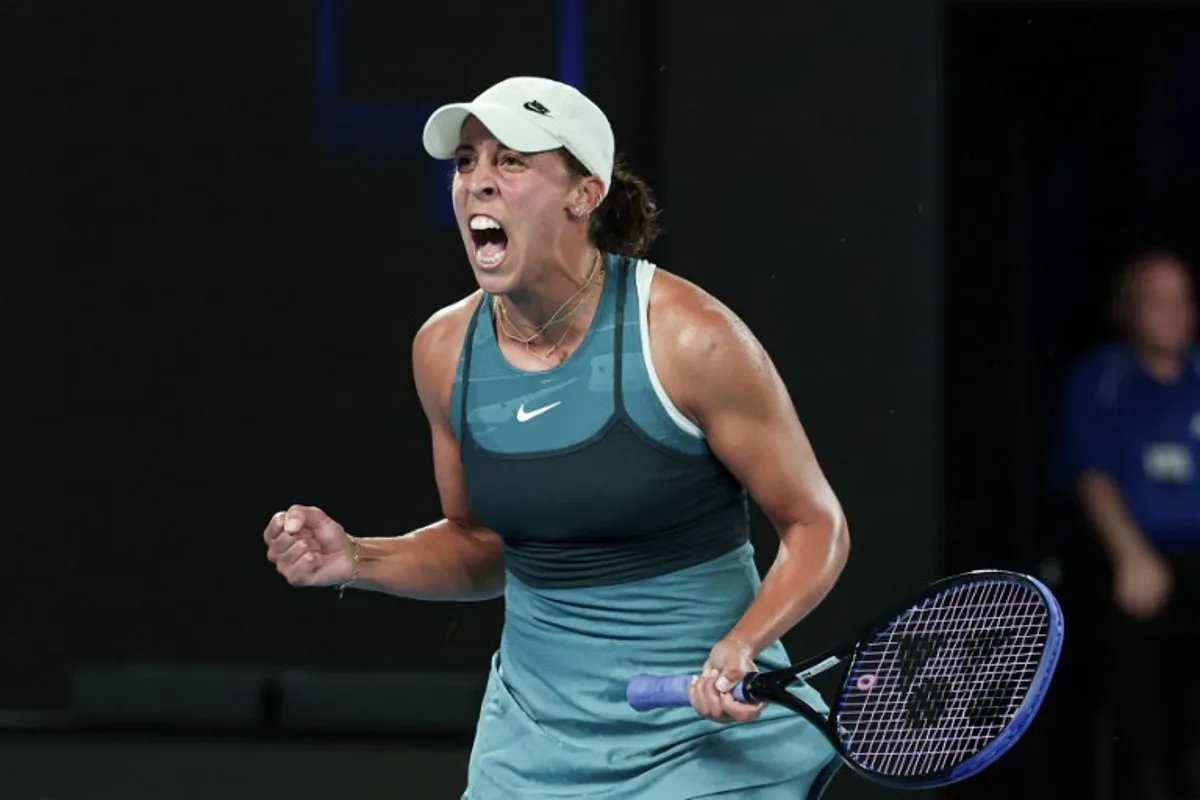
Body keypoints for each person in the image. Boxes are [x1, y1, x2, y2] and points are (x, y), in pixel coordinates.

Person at [263, 76, 850, 799]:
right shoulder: (444, 351)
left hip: (701, 750)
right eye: (466, 162)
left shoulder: (690, 339)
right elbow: (481, 545)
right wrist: (358, 558)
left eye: (511, 161)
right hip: (532, 749)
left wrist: (743, 645)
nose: (478, 183)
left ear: (585, 193)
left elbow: (815, 524)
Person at [1048, 248, 1200, 800]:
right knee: (1141, 727)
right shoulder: (1099, 380)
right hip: (1134, 566)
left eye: (1182, 300)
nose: (1173, 314)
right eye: (1156, 301)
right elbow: (1091, 475)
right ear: (1127, 309)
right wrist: (1132, 555)